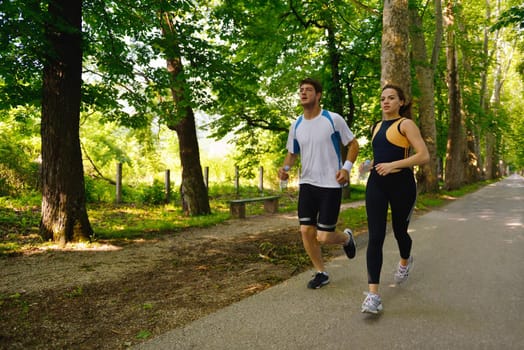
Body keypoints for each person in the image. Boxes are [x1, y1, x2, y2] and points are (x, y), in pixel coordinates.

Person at [278, 77, 359, 289]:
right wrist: (285, 170)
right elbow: (292, 154)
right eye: (301, 90)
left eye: (309, 90)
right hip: (307, 184)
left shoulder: (333, 119)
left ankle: (346, 239)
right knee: (306, 230)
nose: (303, 93)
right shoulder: (296, 125)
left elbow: (353, 144)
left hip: (330, 185)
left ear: (318, 95)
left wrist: (346, 169)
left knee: (323, 236)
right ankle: (321, 272)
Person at [359, 84, 429, 313]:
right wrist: (368, 165)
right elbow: (380, 156)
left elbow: (423, 155)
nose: (386, 102)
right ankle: (373, 295)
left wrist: (393, 165)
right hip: (377, 185)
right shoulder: (376, 126)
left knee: (400, 231)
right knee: (376, 236)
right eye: (382, 98)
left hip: (402, 185)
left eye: (391, 98)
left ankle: (405, 261)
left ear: (401, 102)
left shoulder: (405, 124)